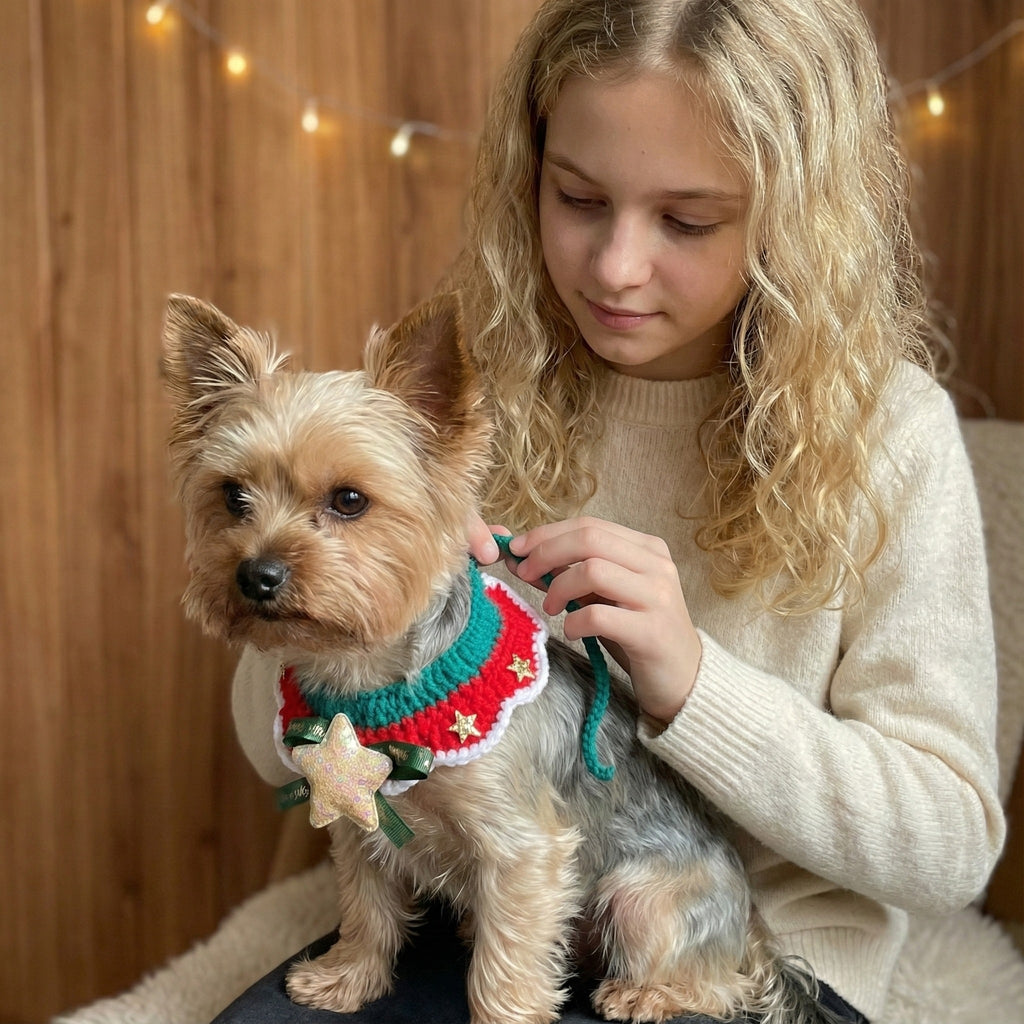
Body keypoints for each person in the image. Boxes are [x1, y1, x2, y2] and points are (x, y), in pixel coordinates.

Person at [219, 1, 1005, 1021]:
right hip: (472, 912)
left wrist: (692, 687)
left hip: (750, 950)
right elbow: (270, 733)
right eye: (579, 197)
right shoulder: (455, 392)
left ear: (794, 214)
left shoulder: (890, 434)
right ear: (527, 174)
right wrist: (381, 612)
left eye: (686, 220)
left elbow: (948, 842)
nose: (615, 267)